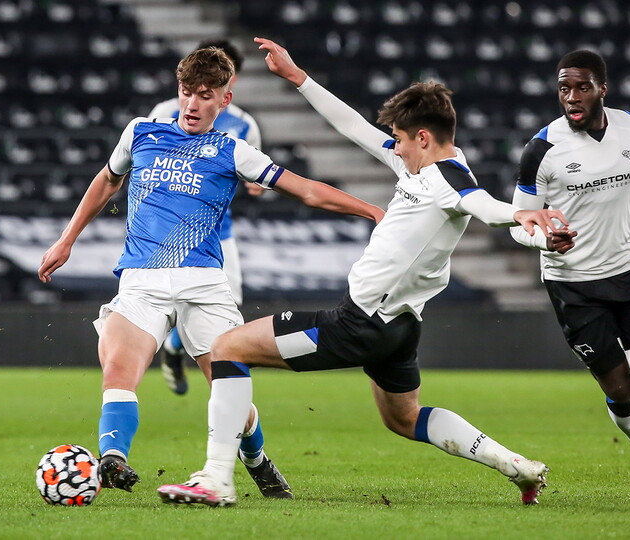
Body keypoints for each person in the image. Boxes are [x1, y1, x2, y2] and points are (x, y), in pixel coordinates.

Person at [157, 37, 573, 508]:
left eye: (398, 138)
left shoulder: (446, 178)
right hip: (400, 328)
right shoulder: (421, 164)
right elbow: (353, 127)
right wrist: (299, 79)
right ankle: (516, 466)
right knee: (404, 418)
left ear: (423, 138)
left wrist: (520, 216)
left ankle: (216, 479)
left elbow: (482, 205)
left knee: (227, 348)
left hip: (359, 323)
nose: (392, 147)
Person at [38, 46, 384, 499]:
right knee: (118, 370)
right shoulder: (141, 132)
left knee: (230, 396)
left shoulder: (235, 150)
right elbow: (107, 180)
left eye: (205, 95)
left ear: (225, 99)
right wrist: (67, 239)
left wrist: (372, 211)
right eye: (186, 92)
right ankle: (114, 458)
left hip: (203, 285)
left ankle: (256, 459)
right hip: (141, 282)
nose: (193, 104)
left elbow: (305, 191)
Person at [509, 50, 630, 484]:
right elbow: (518, 223)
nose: (571, 96)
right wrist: (544, 237)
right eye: (563, 88)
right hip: (573, 285)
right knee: (620, 389)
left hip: (628, 271)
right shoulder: (542, 149)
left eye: (582, 87)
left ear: (602, 90)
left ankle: (625, 346)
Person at [148, 38, 265, 397]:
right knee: (169, 305)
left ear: (232, 83)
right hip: (166, 235)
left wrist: (254, 184)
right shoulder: (165, 111)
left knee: (226, 307)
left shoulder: (244, 124)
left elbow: (256, 176)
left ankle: (176, 350)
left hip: (217, 234)